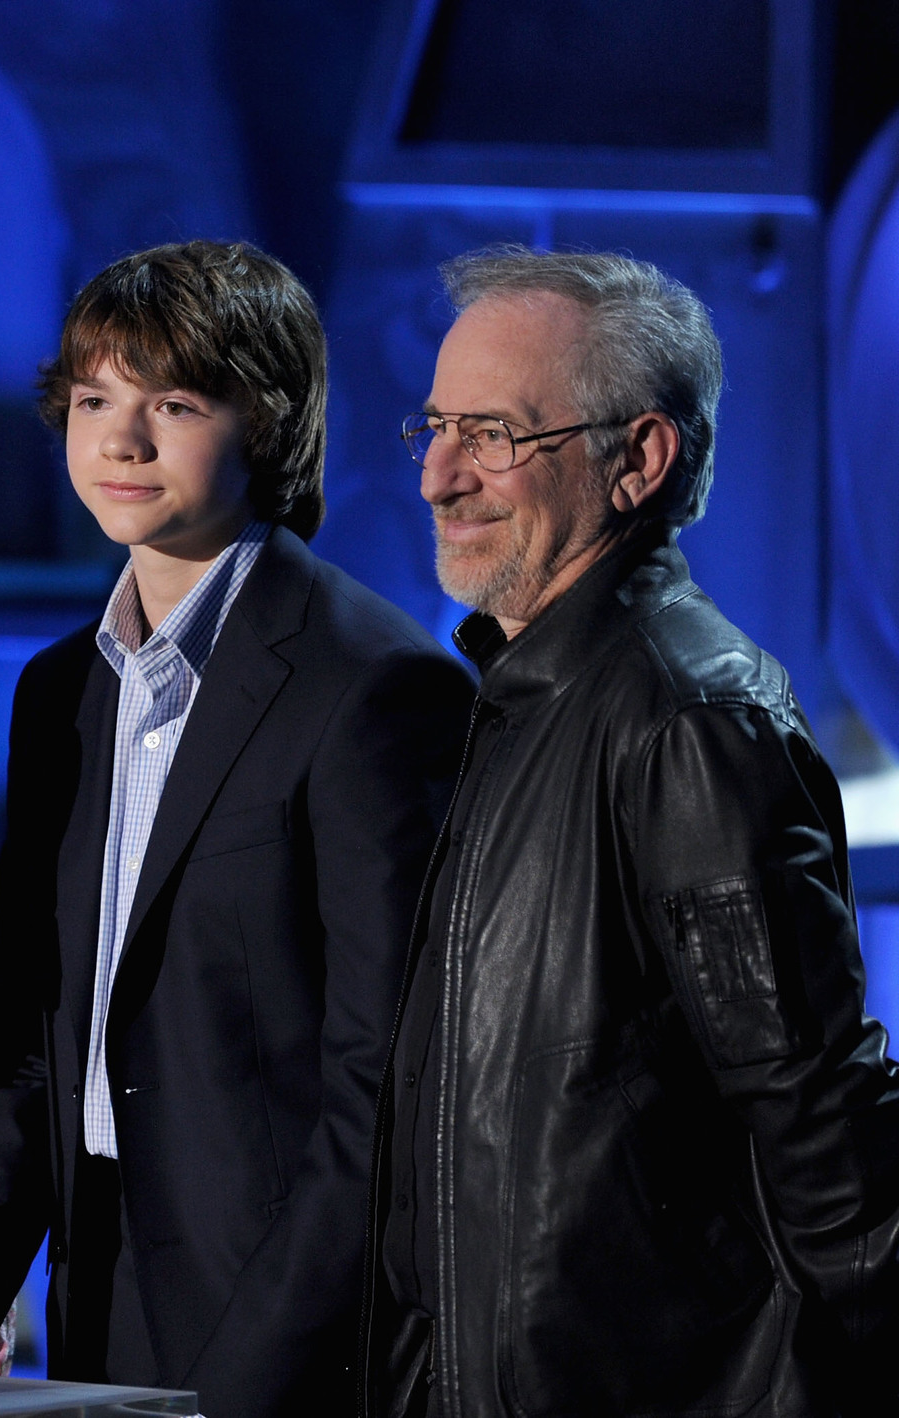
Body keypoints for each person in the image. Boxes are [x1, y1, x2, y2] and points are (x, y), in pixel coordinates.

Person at [0, 241, 474, 1412]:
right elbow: (33, 1033)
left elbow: (381, 1088)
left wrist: (254, 1367)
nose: (118, 441)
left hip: (286, 1314)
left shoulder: (373, 682)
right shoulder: (57, 689)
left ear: (269, 425)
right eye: (93, 400)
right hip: (98, 1277)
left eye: (172, 404)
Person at [362, 246, 897, 1417]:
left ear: (637, 459)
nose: (436, 477)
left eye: (492, 433)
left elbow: (819, 1124)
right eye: (433, 427)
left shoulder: (686, 720)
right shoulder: (522, 701)